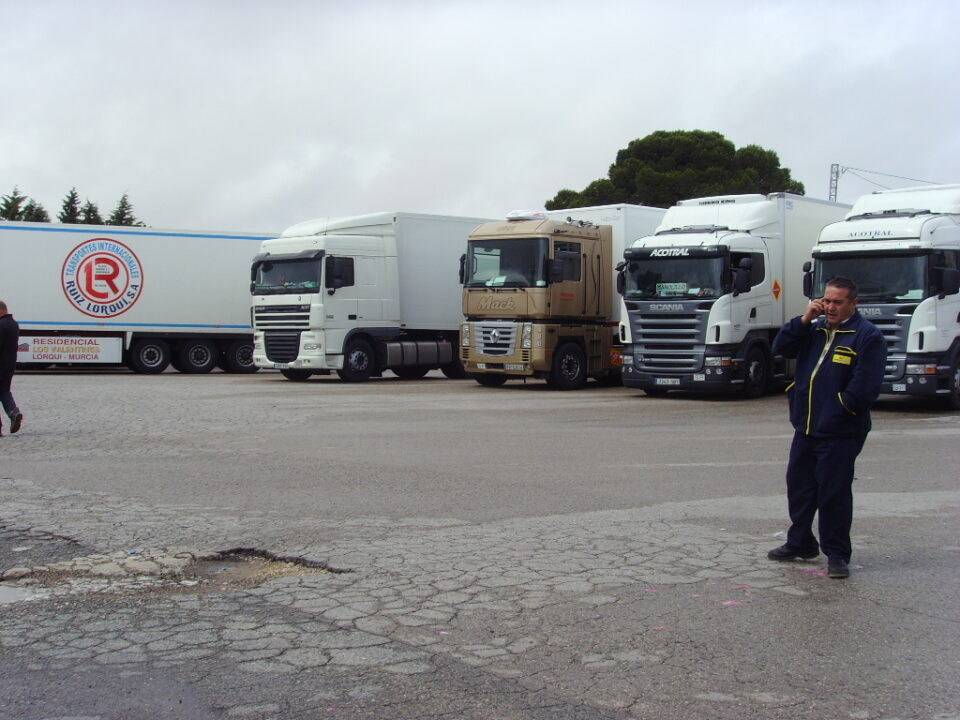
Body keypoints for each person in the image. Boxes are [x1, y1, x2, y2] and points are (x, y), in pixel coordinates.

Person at [767, 277, 886, 579]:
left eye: (838, 302)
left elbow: (866, 387)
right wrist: (805, 319)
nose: (830, 307)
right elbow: (782, 347)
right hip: (806, 426)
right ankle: (801, 542)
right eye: (827, 301)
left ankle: (837, 554)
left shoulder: (866, 336)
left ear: (853, 303)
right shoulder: (814, 329)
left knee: (833, 492)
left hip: (841, 431)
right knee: (800, 488)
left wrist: (841, 408)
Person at [0, 300, 24, 437]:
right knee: (4, 391)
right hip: (9, 364)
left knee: (3, 391)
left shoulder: (1, 324)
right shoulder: (14, 324)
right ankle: (13, 412)